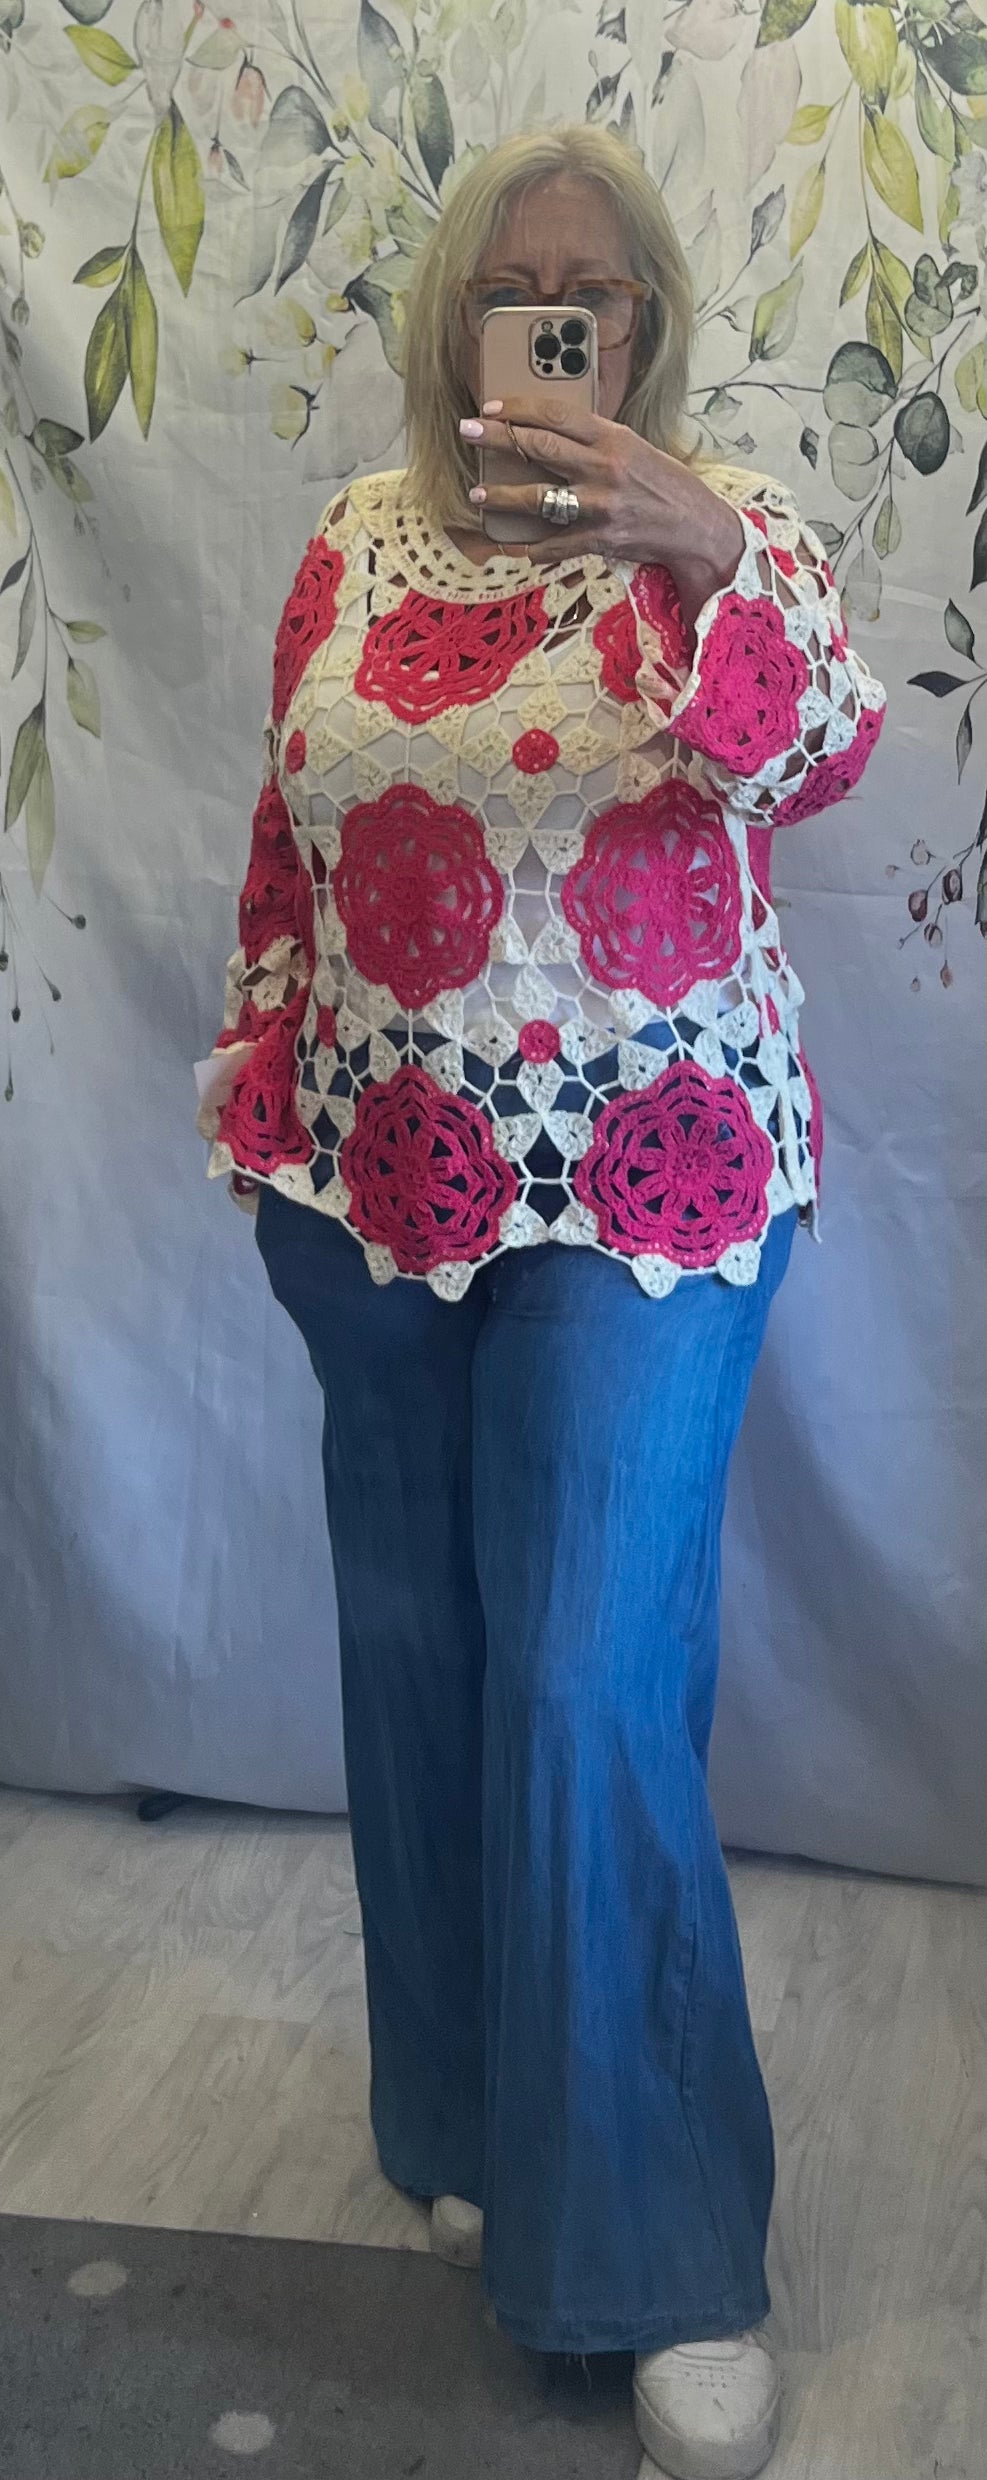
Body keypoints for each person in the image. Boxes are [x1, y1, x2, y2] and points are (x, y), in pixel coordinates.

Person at [197, 123, 886, 2480]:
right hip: (373, 1190)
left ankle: (663, 2253)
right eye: (522, 292)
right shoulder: (347, 546)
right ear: (452, 324)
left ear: (648, 327)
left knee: (586, 1675)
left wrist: (698, 549)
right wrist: (263, 1111)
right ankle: (476, 2116)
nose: (560, 324)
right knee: (419, 1658)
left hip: (646, 1195)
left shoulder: (720, 535)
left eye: (600, 294)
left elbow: (820, 752)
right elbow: (283, 848)